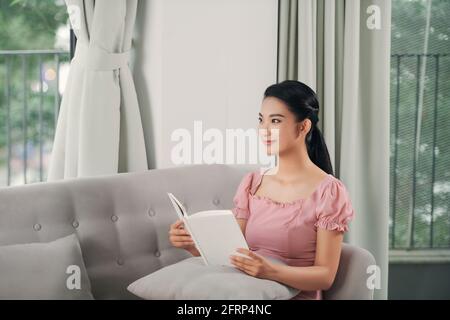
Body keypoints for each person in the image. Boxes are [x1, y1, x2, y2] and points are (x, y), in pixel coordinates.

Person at [169, 80, 355, 300]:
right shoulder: (252, 183)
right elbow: (232, 253)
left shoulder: (329, 192)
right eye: (261, 120)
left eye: (275, 121)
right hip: (246, 295)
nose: (264, 130)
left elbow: (325, 276)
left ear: (303, 127)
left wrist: (272, 272)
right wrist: (193, 245)